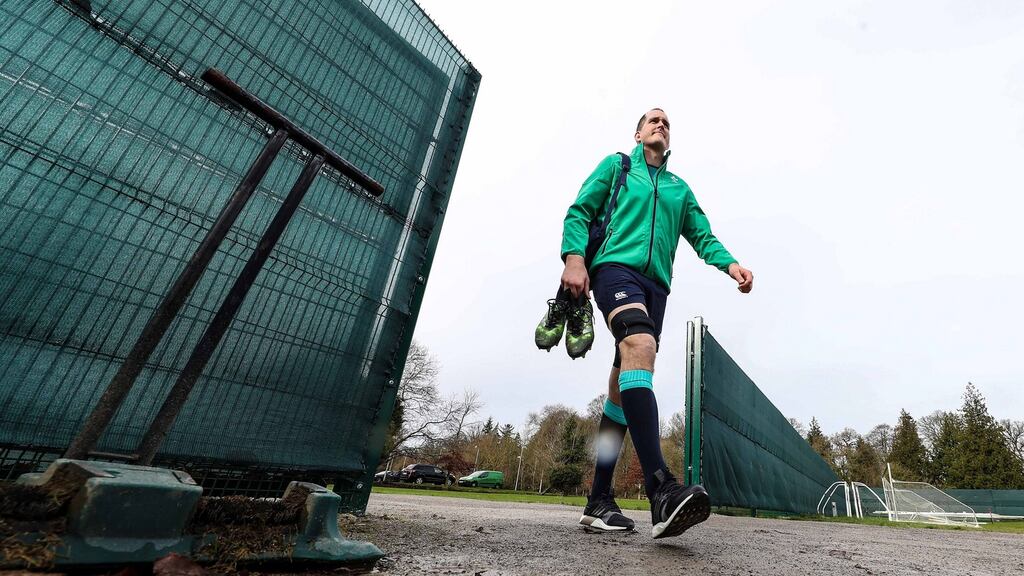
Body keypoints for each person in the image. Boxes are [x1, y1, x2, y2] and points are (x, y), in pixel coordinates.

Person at [559, 108, 753, 538]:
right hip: (614, 271)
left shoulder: (679, 189)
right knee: (641, 348)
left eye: (667, 122)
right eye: (653, 120)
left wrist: (731, 264)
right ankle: (660, 489)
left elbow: (702, 236)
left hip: (655, 290)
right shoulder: (618, 166)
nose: (660, 125)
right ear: (638, 132)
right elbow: (579, 211)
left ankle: (598, 501)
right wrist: (575, 257)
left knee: (621, 386)